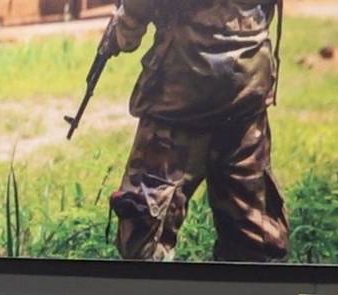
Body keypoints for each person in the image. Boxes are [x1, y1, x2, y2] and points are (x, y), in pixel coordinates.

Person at [105, 0, 287, 262]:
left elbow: (135, 14)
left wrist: (124, 32)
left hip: (180, 95)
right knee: (253, 236)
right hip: (247, 90)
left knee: (144, 233)